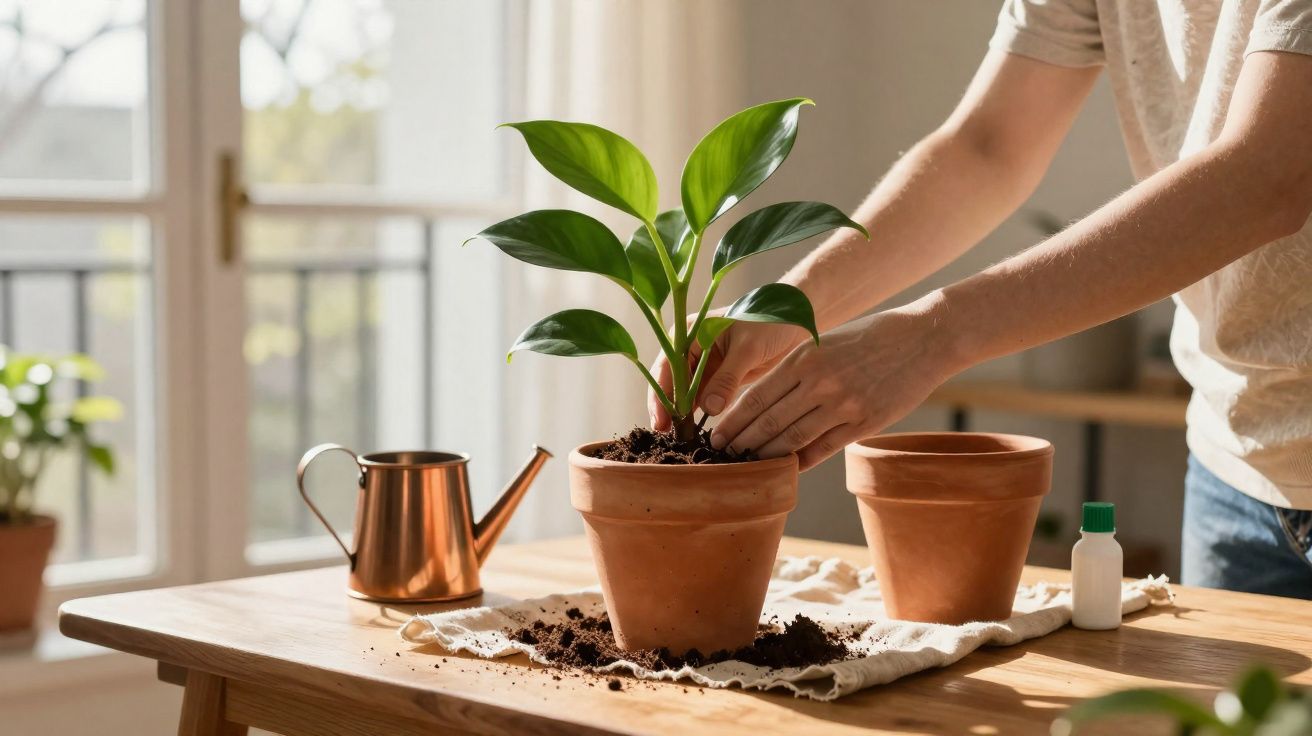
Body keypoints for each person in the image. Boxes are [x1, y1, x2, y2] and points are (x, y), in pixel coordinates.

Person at [650, 0, 1312, 598]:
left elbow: (1266, 174)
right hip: (1233, 457)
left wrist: (930, 338)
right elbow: (989, 147)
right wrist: (790, 307)